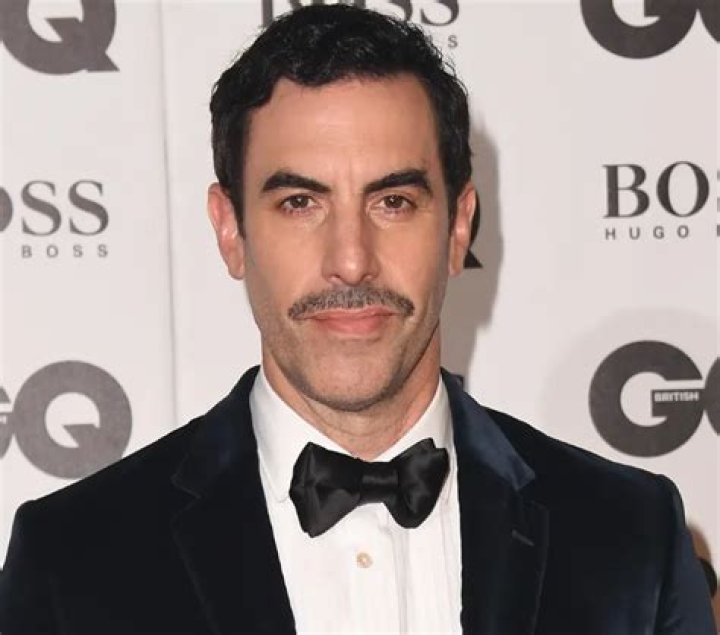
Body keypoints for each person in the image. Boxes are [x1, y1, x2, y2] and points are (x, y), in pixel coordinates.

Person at [0, 4, 714, 634]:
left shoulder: (629, 538)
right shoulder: (75, 559)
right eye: (300, 203)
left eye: (393, 202)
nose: (350, 261)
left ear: (459, 226)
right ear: (230, 229)